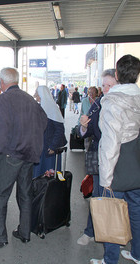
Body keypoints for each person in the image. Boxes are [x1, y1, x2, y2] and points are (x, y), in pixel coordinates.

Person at [0, 67, 47, 251]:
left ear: (2, 82)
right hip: (28, 155)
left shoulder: (3, 99)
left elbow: (1, 131)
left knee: (0, 195)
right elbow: (44, 121)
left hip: (10, 154)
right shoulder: (29, 98)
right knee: (25, 194)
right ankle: (24, 232)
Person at [90, 55, 140, 264]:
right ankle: (137, 254)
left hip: (117, 167)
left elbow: (110, 144)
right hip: (136, 164)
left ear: (117, 75)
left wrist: (106, 180)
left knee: (111, 213)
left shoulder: (112, 102)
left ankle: (110, 260)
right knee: (136, 212)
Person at [76, 69, 117, 246]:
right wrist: (83, 126)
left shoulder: (128, 104)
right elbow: (84, 132)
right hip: (101, 159)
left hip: (122, 161)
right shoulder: (99, 104)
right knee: (98, 197)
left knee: (119, 200)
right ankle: (90, 232)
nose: (106, 89)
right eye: (103, 85)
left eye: (110, 85)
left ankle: (118, 234)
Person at [32, 85, 66, 178]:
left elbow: (60, 130)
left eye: (37, 93)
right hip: (39, 149)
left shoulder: (53, 109)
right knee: (38, 175)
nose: (35, 95)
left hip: (49, 150)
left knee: (50, 175)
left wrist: (53, 147)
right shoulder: (39, 107)